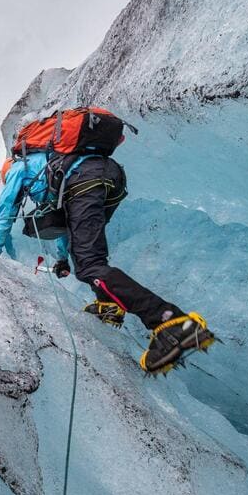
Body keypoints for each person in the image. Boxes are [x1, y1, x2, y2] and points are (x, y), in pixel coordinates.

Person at [61, 153, 213, 372]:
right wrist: (60, 258)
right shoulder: (67, 164)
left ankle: (170, 321)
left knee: (89, 267)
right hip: (107, 183)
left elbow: (7, 206)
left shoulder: (23, 168)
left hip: (87, 187)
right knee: (91, 258)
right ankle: (109, 306)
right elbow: (64, 222)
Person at [0, 153, 72, 278]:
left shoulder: (16, 170)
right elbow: (63, 220)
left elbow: (6, 213)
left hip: (76, 190)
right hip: (81, 184)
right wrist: (62, 259)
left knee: (91, 262)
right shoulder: (46, 163)